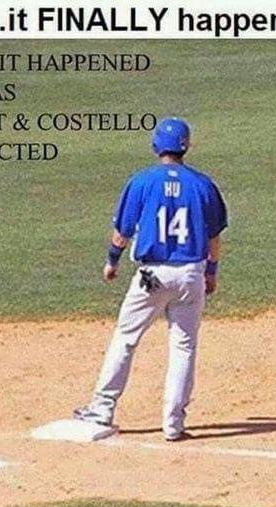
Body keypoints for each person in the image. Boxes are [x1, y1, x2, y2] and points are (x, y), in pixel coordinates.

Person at [74, 117, 228, 441]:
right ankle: (174, 424)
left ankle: (102, 409)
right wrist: (211, 273)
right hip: (191, 275)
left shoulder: (142, 181)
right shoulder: (204, 185)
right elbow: (214, 237)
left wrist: (112, 262)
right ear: (186, 146)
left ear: (157, 145)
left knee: (126, 338)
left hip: (152, 276)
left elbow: (122, 232)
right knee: (184, 346)